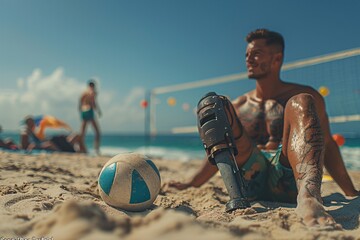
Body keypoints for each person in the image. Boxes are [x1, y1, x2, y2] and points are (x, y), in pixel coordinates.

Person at [169, 29, 359, 229]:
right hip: (250, 179)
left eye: (256, 53)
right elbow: (220, 148)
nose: (248, 59)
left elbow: (327, 144)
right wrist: (192, 183)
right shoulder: (240, 105)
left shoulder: (304, 94)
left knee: (302, 101)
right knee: (216, 104)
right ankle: (236, 199)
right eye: (247, 55)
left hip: (289, 179)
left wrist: (350, 191)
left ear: (277, 58)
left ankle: (309, 199)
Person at [20, 116, 86, 153]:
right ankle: (83, 152)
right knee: (76, 137)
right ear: (27, 123)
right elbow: (27, 146)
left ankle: (83, 152)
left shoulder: (33, 132)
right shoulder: (26, 131)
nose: (33, 124)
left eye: (33, 122)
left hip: (56, 142)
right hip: (55, 145)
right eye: (31, 122)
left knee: (76, 136)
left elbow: (39, 140)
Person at [79, 80, 101, 155]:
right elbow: (93, 102)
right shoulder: (93, 92)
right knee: (97, 132)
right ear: (93, 86)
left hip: (83, 110)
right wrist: (98, 110)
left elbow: (80, 101)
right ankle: (96, 149)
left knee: (82, 132)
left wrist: (81, 110)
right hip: (89, 110)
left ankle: (80, 148)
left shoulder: (84, 92)